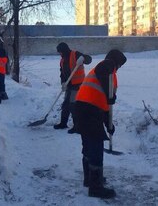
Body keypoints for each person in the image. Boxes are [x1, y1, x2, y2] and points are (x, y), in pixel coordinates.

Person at [75, 49, 127, 199]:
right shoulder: (107, 65)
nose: (119, 68)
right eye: (120, 65)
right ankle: (95, 188)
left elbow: (104, 105)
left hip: (84, 108)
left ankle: (89, 180)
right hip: (89, 110)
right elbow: (105, 88)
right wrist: (110, 95)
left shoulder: (105, 73)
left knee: (88, 146)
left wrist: (108, 124)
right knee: (96, 147)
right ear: (116, 61)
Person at [53, 42, 92, 134]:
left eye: (60, 52)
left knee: (73, 105)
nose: (60, 54)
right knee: (66, 104)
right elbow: (62, 73)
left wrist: (83, 58)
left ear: (64, 50)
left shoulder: (75, 54)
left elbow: (89, 59)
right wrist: (63, 83)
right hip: (69, 85)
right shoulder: (62, 60)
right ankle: (63, 123)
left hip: (78, 85)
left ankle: (77, 126)